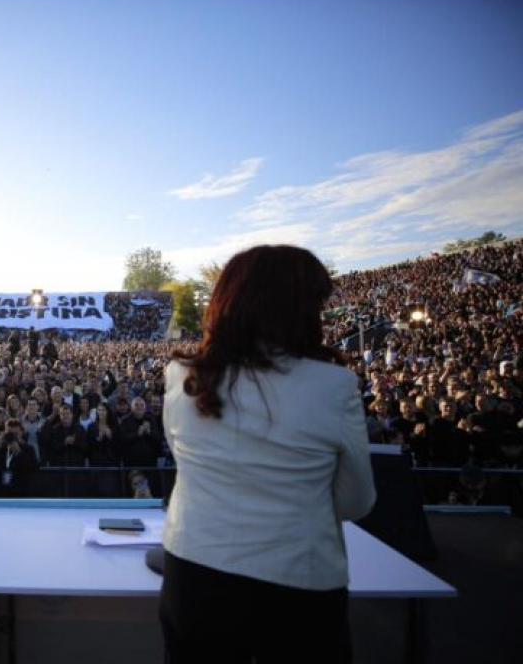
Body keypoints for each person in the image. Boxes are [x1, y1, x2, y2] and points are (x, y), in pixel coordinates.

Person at [160, 245, 376, 664]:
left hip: (194, 571)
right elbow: (355, 502)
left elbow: (184, 463)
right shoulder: (334, 386)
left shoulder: (183, 375)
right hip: (298, 582)